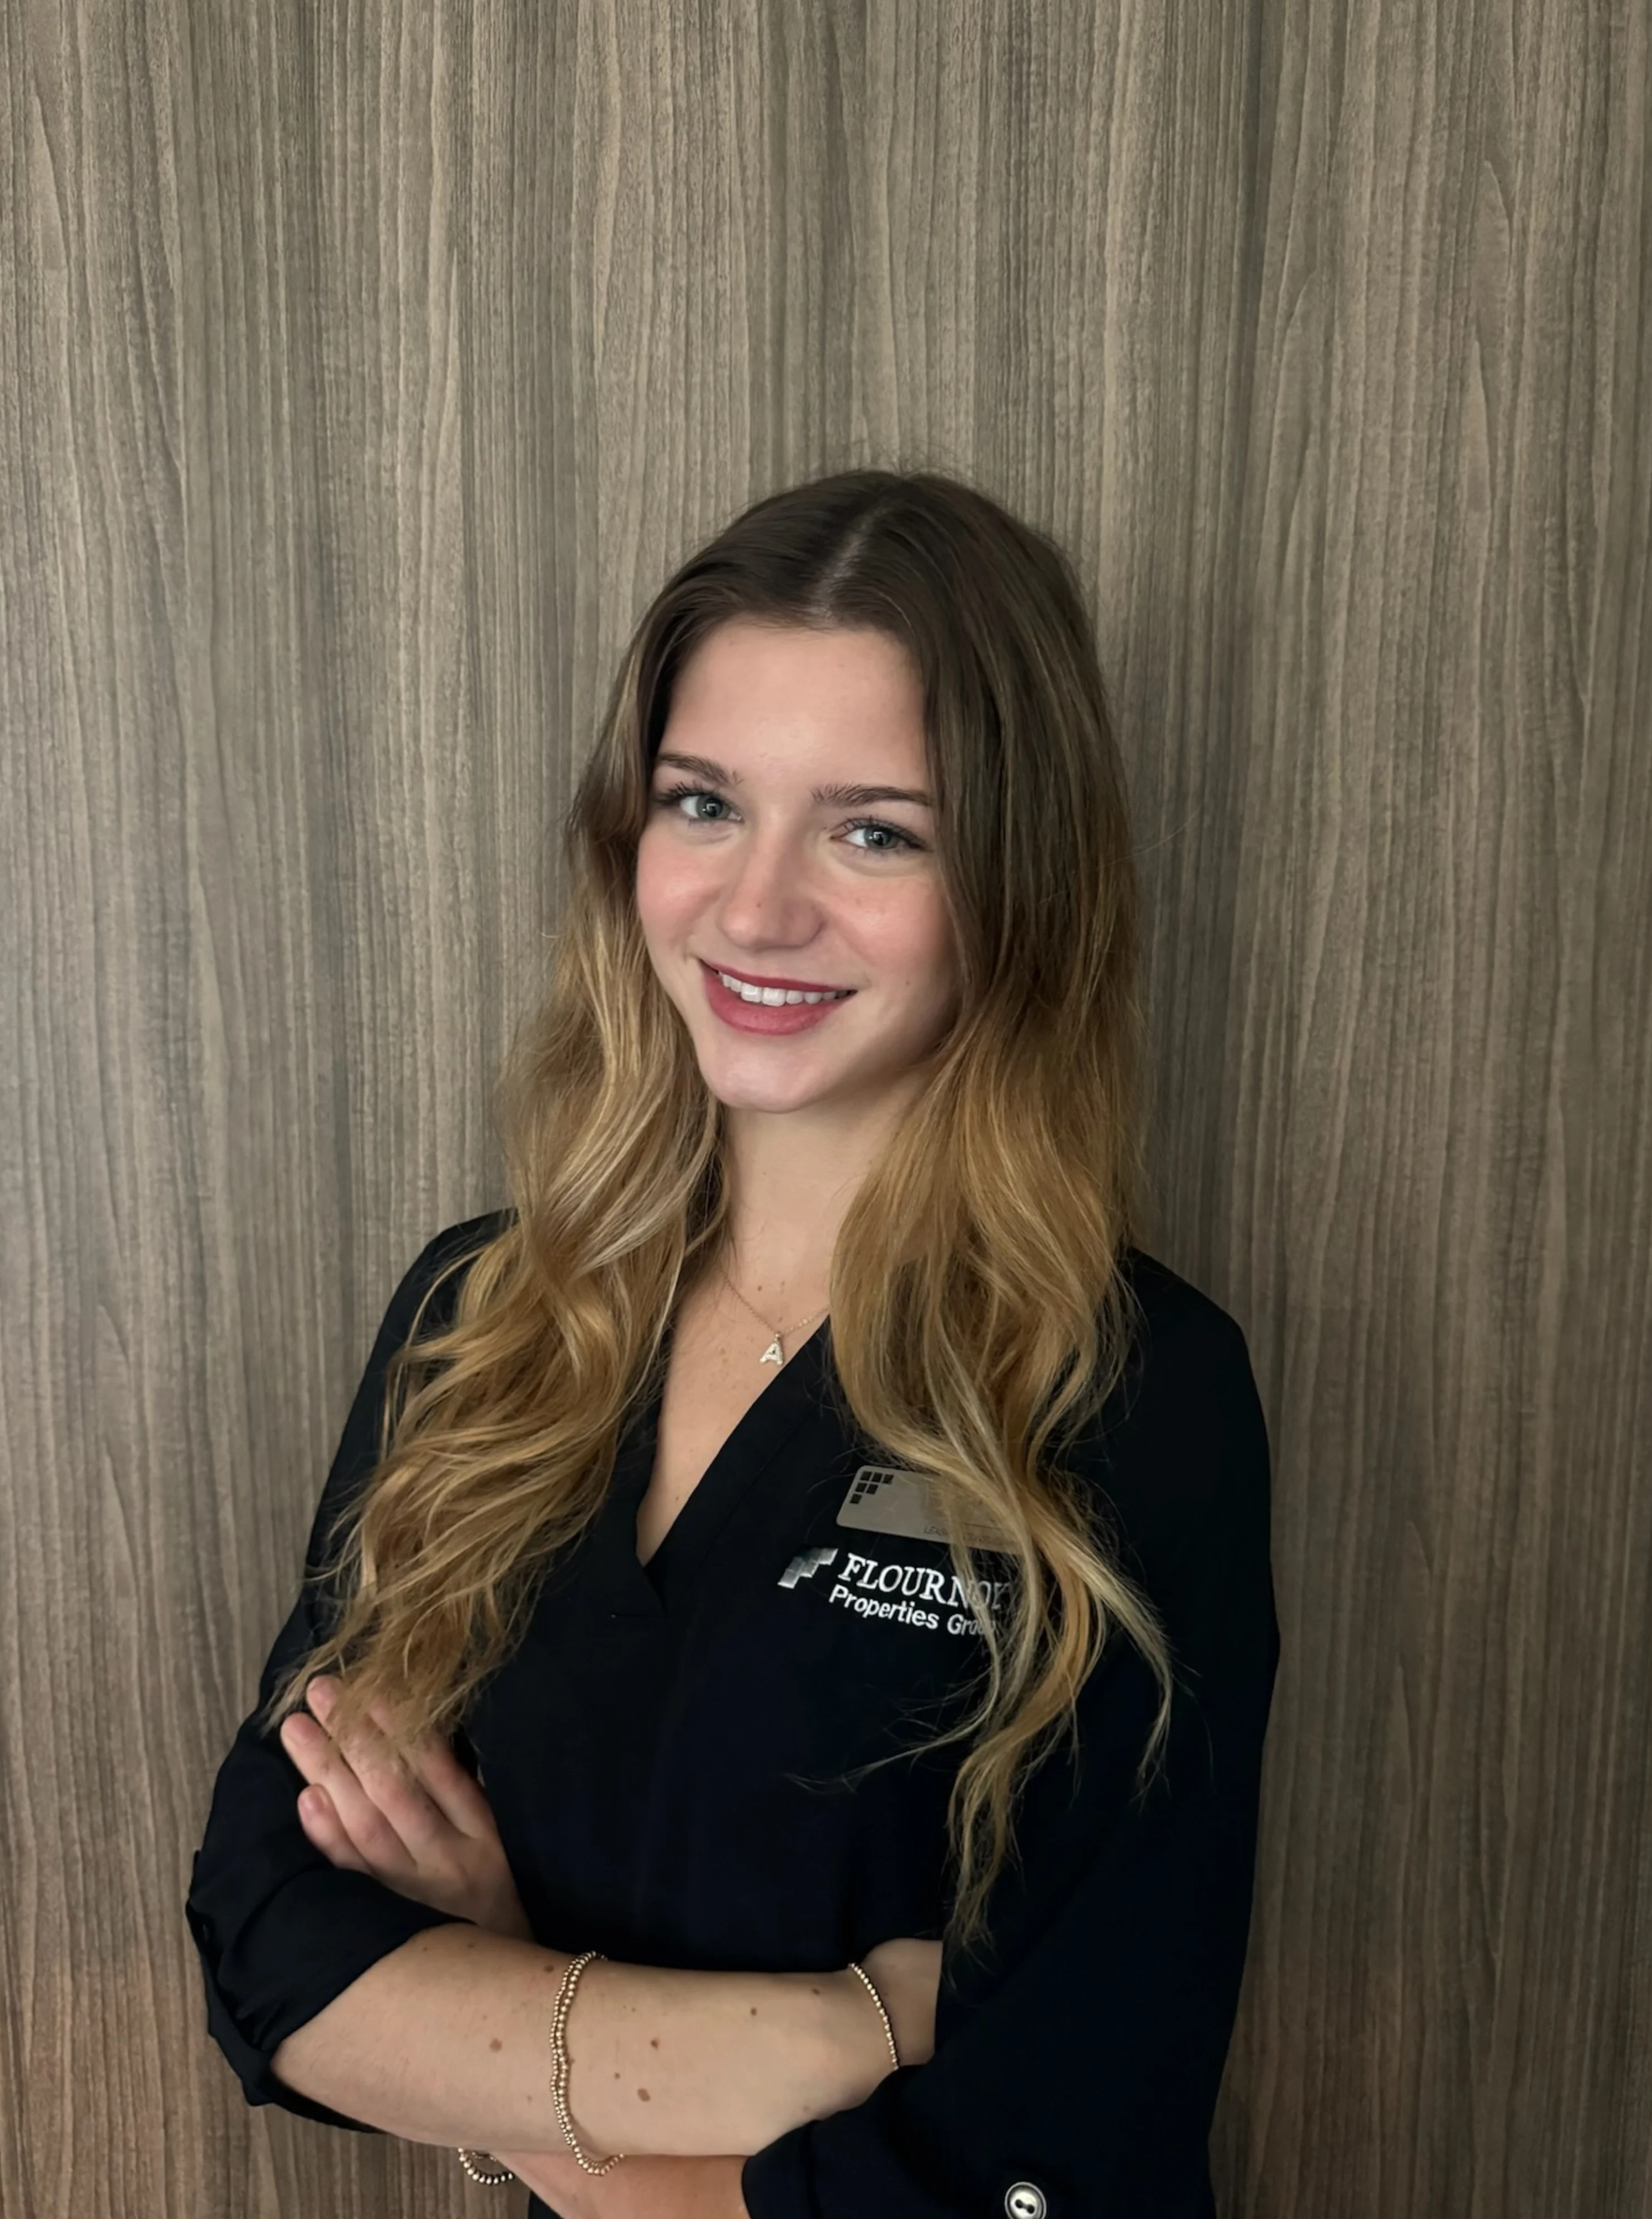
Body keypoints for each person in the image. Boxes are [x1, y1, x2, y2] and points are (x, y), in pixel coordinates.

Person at [186, 467, 1279, 2219]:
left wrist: (493, 2016)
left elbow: (1044, 2158)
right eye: (703, 803)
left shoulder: (1141, 1399)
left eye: (875, 832)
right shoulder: (484, 1322)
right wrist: (832, 2030)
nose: (756, 911)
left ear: (1017, 881)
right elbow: (270, 1930)